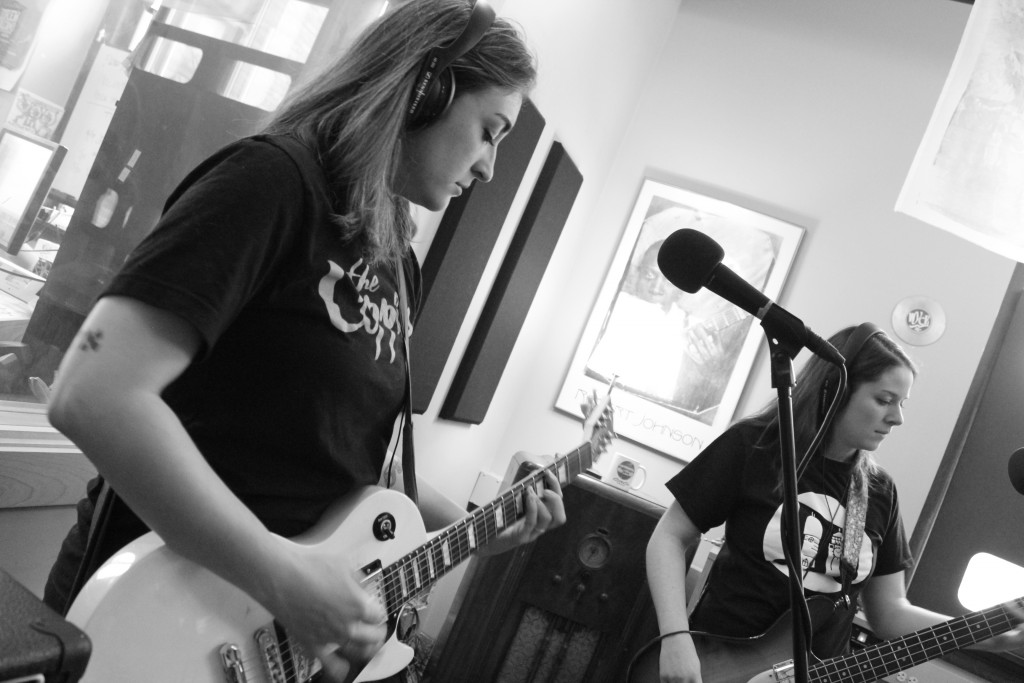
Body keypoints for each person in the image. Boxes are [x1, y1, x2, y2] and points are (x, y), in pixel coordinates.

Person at [42, 2, 566, 681]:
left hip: (257, 634)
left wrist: (485, 524)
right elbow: (93, 392)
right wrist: (281, 574)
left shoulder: (396, 263)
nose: (491, 167)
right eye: (490, 131)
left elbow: (347, 462)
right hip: (154, 613)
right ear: (423, 91)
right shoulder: (274, 181)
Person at [645, 323, 1024, 682]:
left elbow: (889, 613)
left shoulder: (877, 491)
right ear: (834, 390)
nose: (898, 418)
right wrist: (675, 638)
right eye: (884, 399)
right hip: (716, 664)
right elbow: (670, 537)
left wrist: (987, 634)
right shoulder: (756, 445)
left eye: (901, 402)